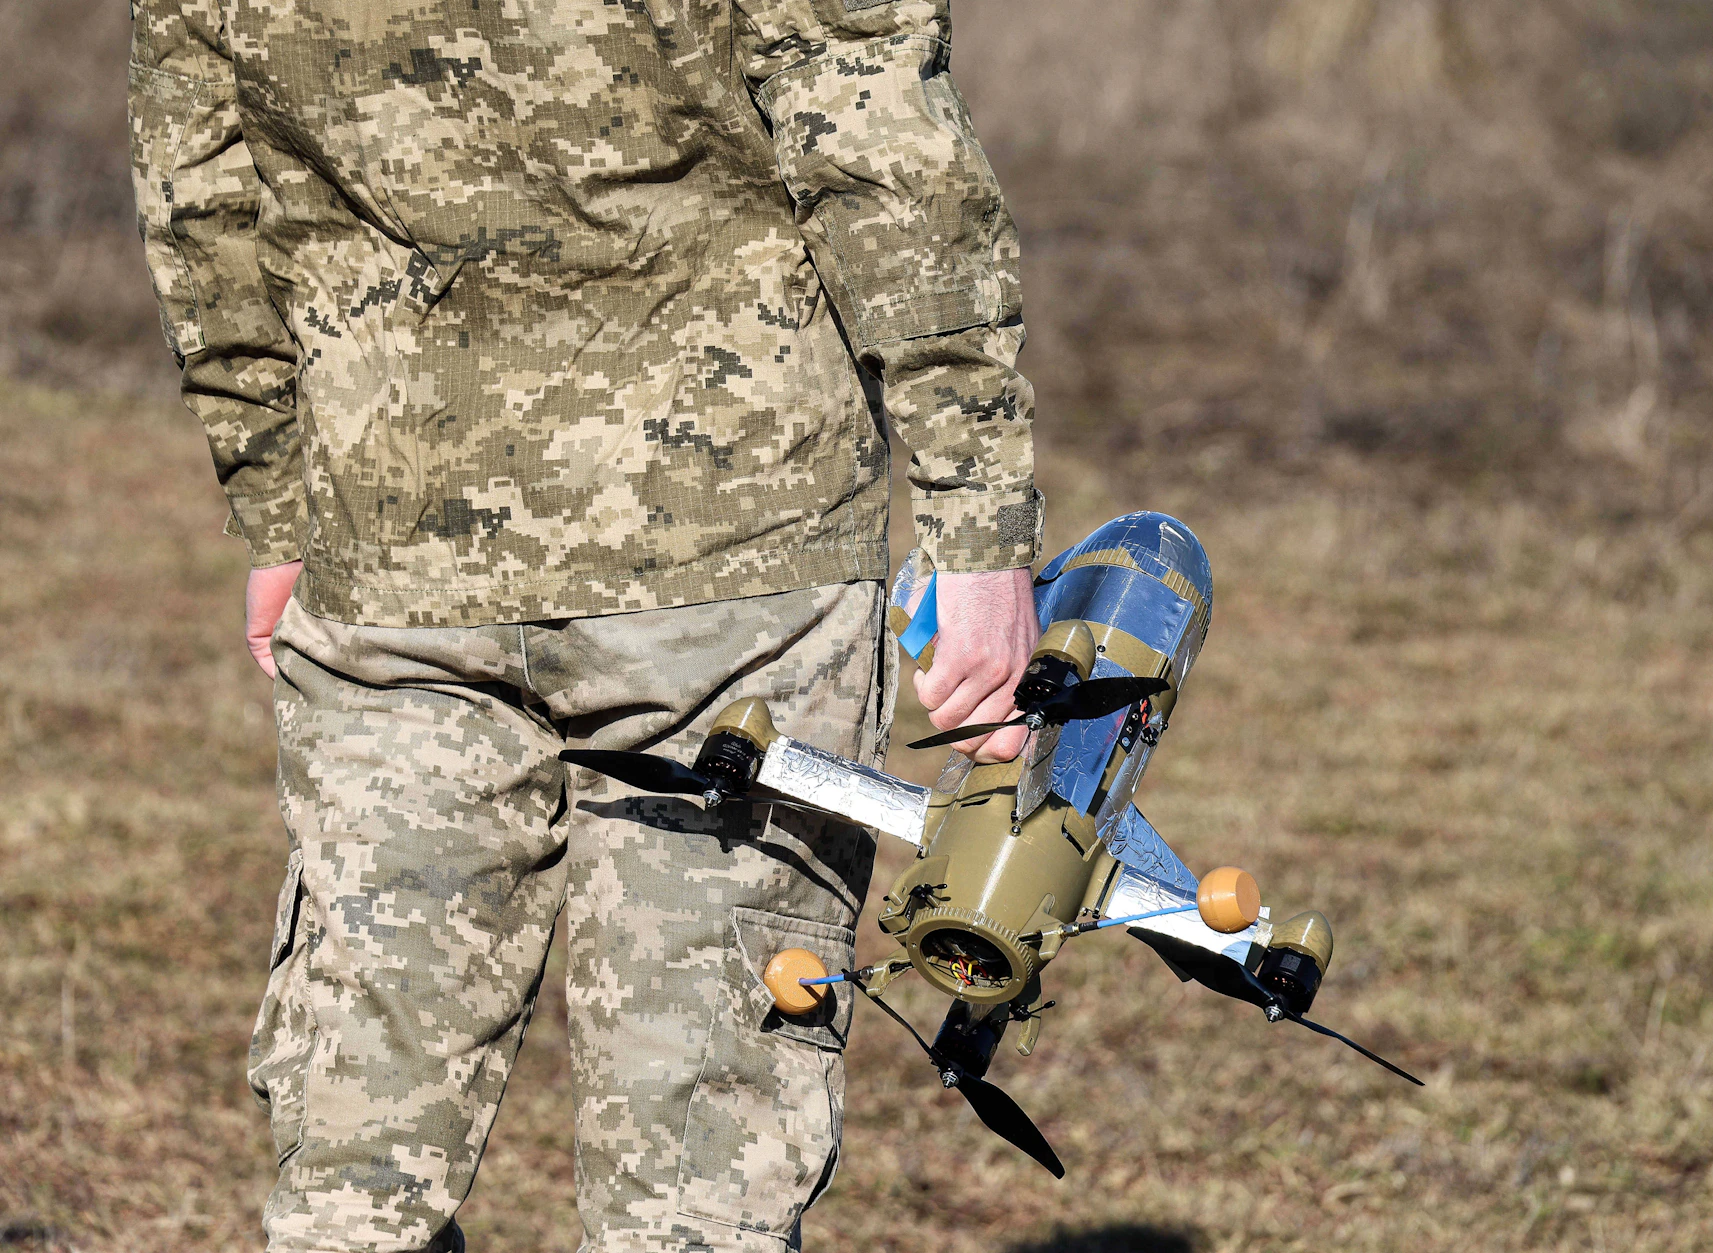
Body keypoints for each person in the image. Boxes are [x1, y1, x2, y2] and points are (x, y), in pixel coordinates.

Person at [129, 2, 1040, 1248]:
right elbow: (873, 127)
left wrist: (275, 491)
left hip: (410, 543)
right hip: (734, 560)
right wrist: (976, 514)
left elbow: (201, 178)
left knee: (356, 1180)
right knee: (692, 1196)